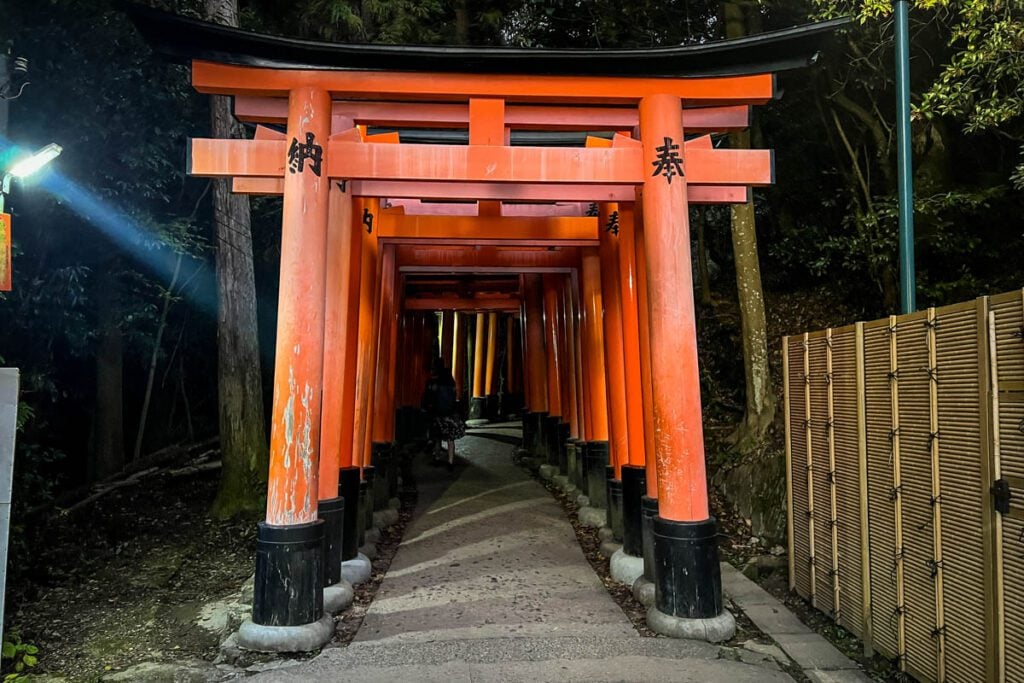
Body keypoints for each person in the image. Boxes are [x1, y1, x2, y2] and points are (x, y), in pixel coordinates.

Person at [422, 357, 465, 471]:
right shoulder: (450, 379)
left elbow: (428, 398)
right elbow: (455, 394)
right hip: (450, 413)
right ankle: (450, 462)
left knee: (437, 437)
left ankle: (437, 458)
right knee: (451, 439)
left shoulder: (433, 381)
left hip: (438, 413)